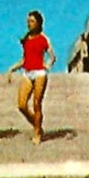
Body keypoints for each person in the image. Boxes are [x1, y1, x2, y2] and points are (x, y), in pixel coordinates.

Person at [15, 10, 55, 144]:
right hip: (27, 72)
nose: (29, 24)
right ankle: (36, 124)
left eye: (32, 21)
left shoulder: (44, 39)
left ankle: (37, 133)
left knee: (37, 104)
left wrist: (47, 65)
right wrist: (12, 69)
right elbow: (24, 59)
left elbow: (52, 56)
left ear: (38, 23)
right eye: (28, 21)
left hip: (39, 73)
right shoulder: (26, 39)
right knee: (21, 105)